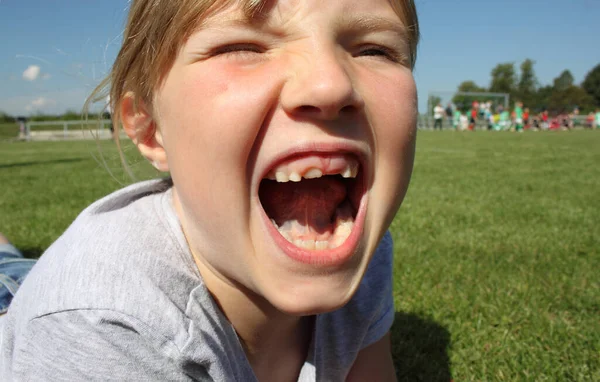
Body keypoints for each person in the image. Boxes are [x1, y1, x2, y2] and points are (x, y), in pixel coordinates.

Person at [0, 0, 420, 380]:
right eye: (243, 47)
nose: (330, 85)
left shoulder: (363, 248)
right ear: (149, 128)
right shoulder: (99, 328)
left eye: (373, 50)